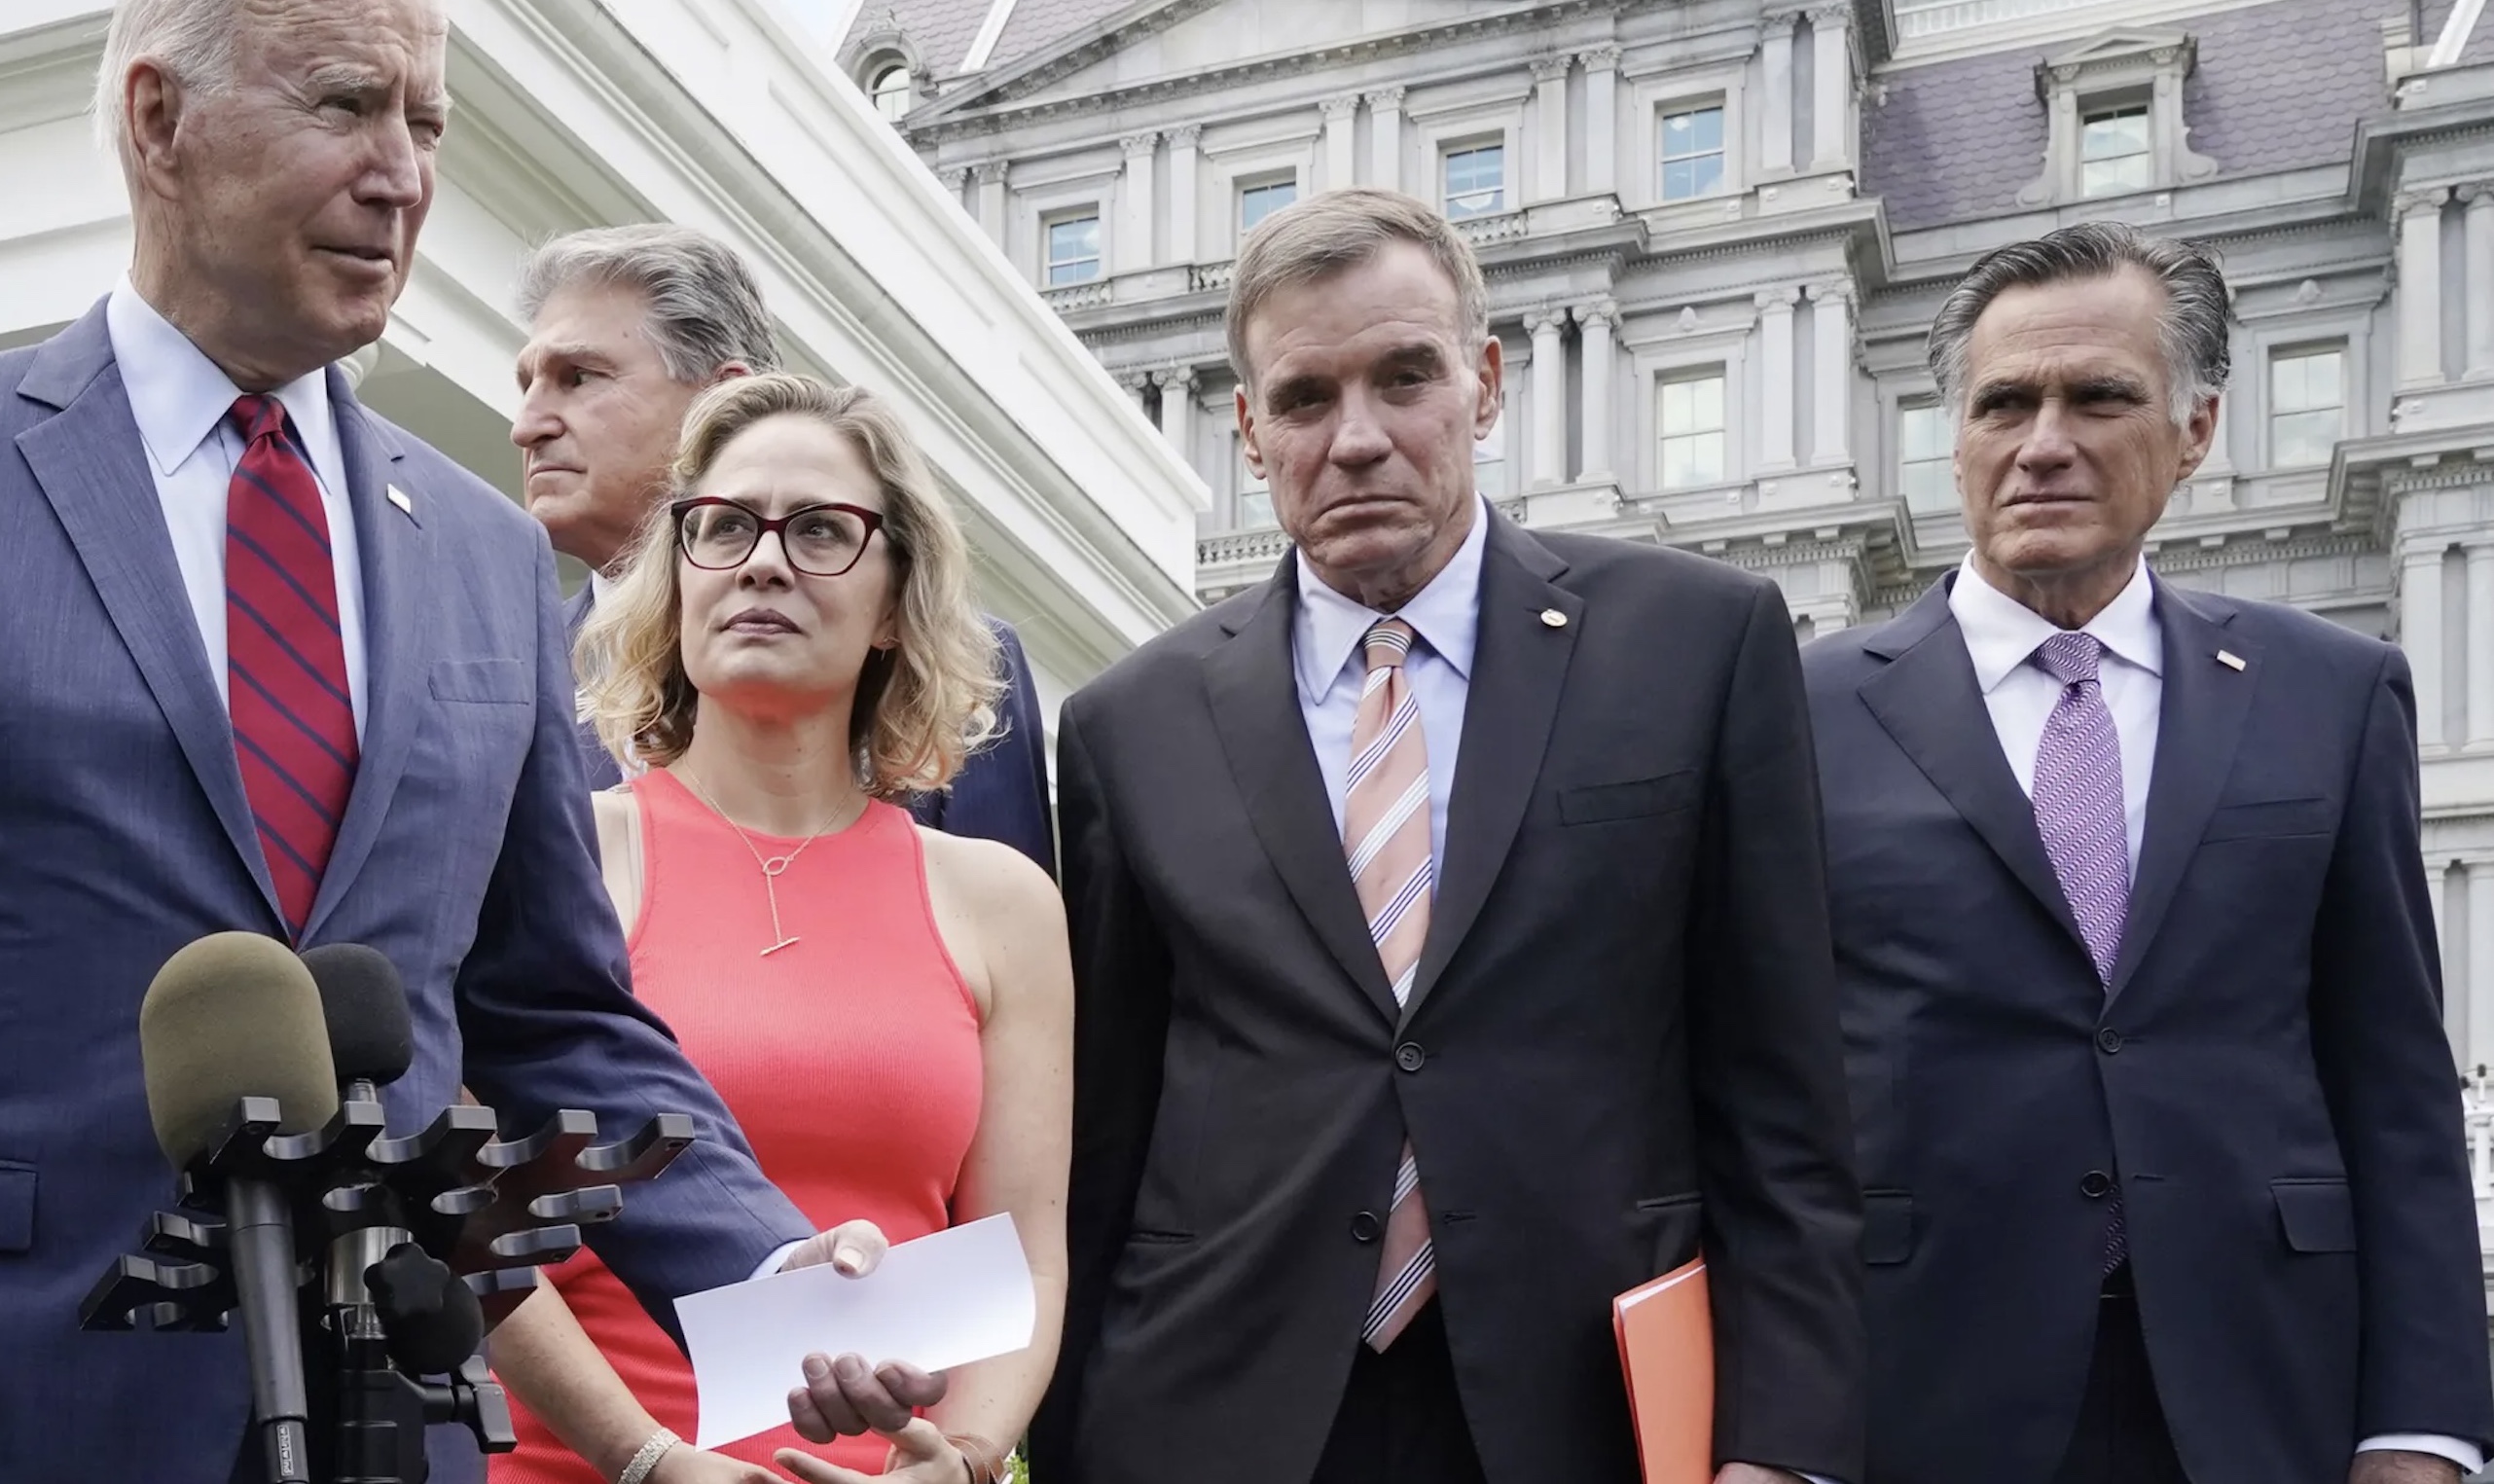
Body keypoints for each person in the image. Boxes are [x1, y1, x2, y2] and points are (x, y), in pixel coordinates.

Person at [0, 0, 938, 1483]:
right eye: (344, 103)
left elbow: (551, 1011)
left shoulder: (483, 555)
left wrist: (757, 1261)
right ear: (158, 119)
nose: (400, 176)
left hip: (387, 1430)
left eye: (427, 119)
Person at [1031, 189, 1863, 1484]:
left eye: (1401, 377)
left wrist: (1782, 1444)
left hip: (1587, 1409)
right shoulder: (1123, 724)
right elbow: (1101, 1144)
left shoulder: (1697, 647)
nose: (1354, 438)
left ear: (1479, 384)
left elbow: (1784, 1098)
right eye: (1304, 399)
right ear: (1248, 430)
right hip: (1216, 1415)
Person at [1805, 222, 2494, 1484]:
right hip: (1914, 1397)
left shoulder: (2330, 696)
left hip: (2259, 1390)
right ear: (1950, 434)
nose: (2042, 442)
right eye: (2001, 402)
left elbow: (2392, 1088)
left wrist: (2418, 1425)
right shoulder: (1800, 711)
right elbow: (1759, 1104)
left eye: (2097, 397)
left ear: (2192, 430)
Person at [487, 374, 1069, 1484]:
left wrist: (968, 1460)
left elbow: (1027, 1258)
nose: (762, 560)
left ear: (896, 601)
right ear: (677, 576)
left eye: (818, 530)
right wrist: (649, 1459)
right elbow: (472, 1226)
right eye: (722, 527)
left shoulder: (999, 902)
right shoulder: (558, 859)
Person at [510, 229, 1055, 872]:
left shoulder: (956, 671)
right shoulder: (510, 672)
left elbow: (1001, 951)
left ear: (718, 396)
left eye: (578, 377)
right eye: (526, 384)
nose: (527, 424)